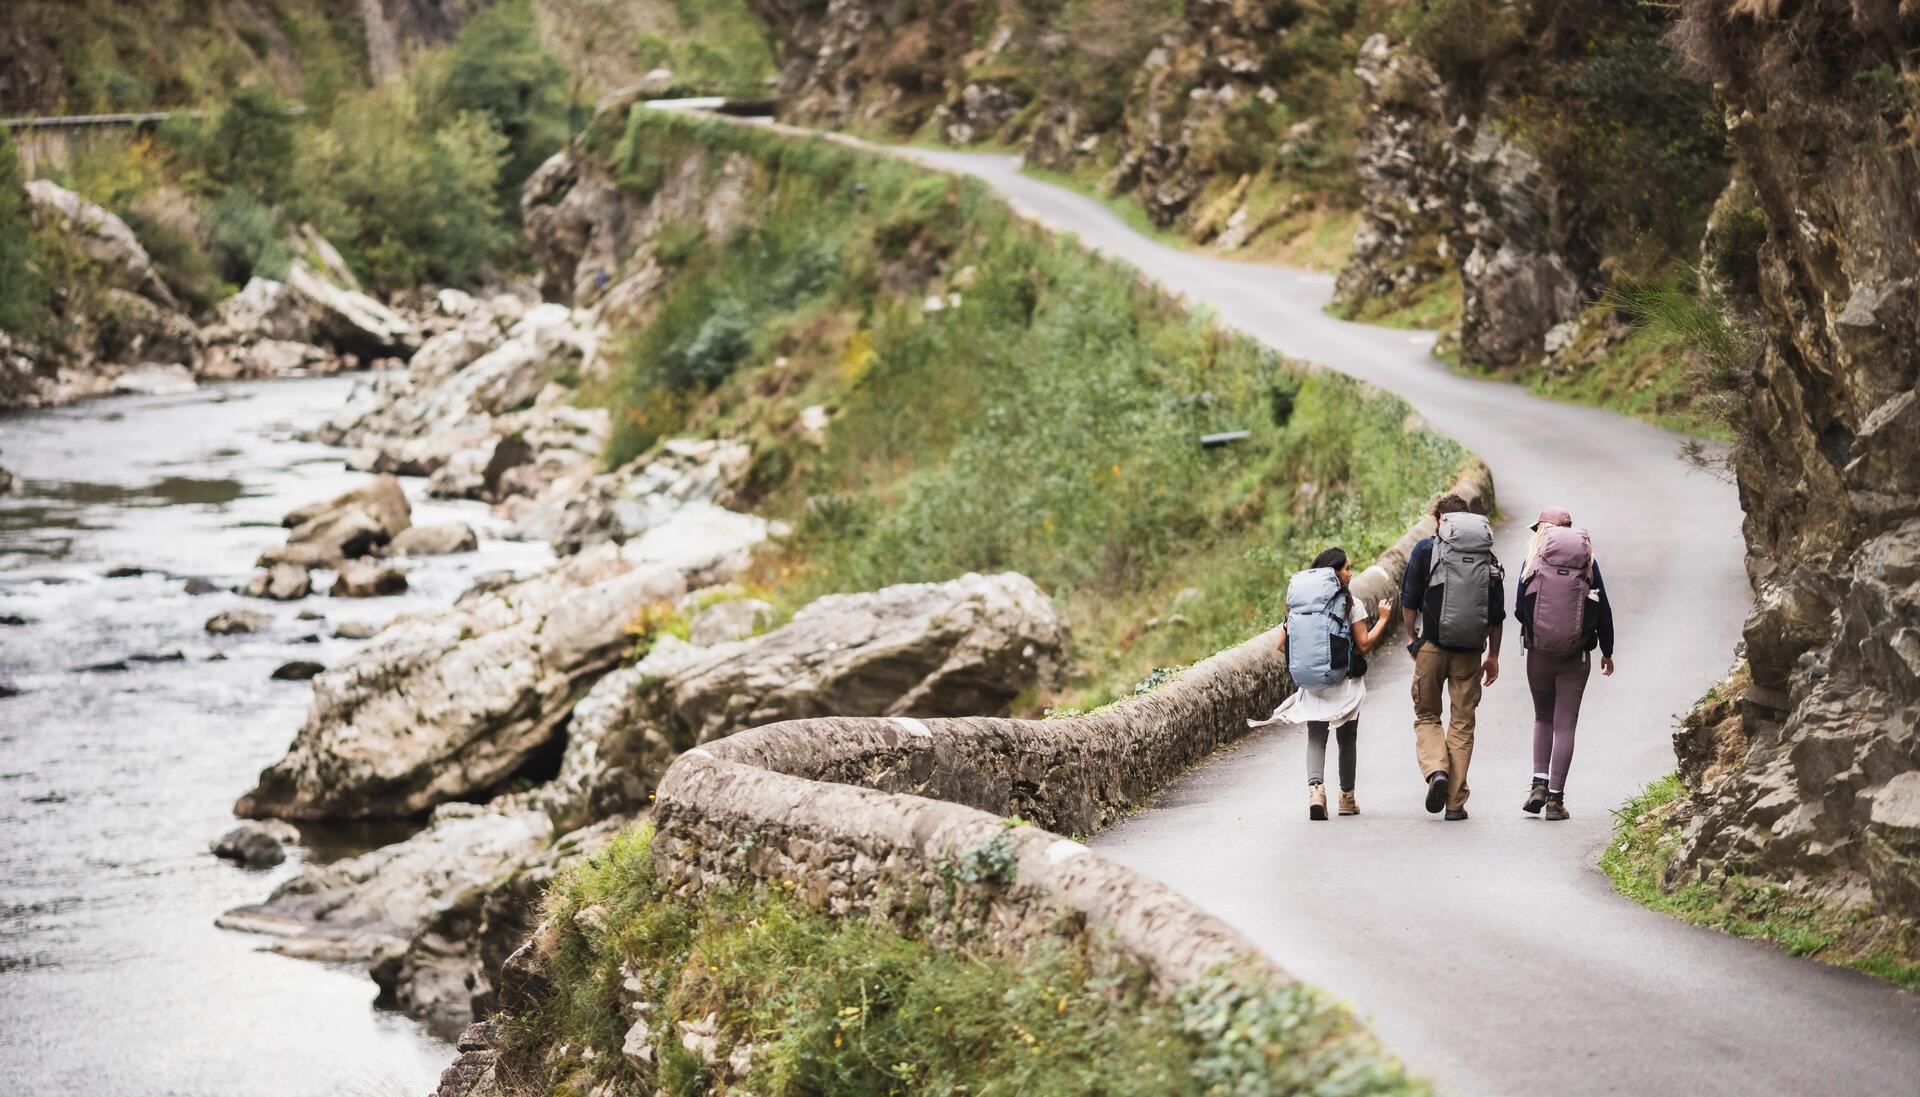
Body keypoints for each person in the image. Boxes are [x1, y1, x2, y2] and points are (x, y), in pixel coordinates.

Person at [1251, 547, 1393, 820]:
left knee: (1316, 737)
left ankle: (1316, 792)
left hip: (1313, 682)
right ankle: (1347, 798)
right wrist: (1384, 618)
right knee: (1347, 739)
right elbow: (1363, 644)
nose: (1350, 573)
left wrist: (1313, 656)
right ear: (1335, 572)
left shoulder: (1302, 607)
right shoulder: (1350, 603)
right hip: (1344, 683)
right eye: (1347, 568)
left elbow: (1281, 645)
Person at [1399, 493, 1505, 820]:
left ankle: (1436, 772)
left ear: (1439, 521)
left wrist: (1412, 637)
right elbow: (1496, 615)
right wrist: (1494, 656)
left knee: (1428, 715)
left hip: (1431, 647)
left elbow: (1409, 599)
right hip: (1470, 652)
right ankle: (1455, 804)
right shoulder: (1486, 555)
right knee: (1462, 723)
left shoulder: (1426, 549)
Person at [1514, 506, 1616, 820]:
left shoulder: (1532, 562)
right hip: (1577, 656)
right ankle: (1556, 800)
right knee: (1564, 726)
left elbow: (1520, 609)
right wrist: (1607, 651)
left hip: (1539, 654)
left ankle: (1538, 784)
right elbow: (1604, 610)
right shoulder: (1588, 563)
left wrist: (1540, 633)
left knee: (1542, 718)